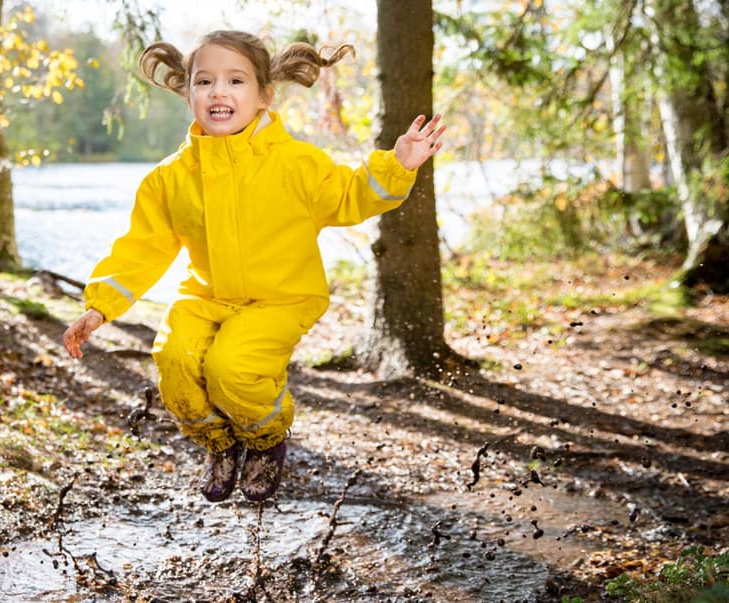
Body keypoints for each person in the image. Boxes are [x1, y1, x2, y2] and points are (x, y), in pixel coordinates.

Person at [63, 30, 445, 503]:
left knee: (231, 368)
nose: (218, 92)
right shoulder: (169, 178)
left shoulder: (295, 163)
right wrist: (99, 307)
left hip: (280, 298)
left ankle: (266, 439)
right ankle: (220, 444)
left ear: (264, 96)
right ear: (188, 94)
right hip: (206, 298)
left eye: (235, 81)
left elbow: (350, 197)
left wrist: (398, 164)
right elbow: (142, 248)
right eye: (204, 81)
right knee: (175, 361)